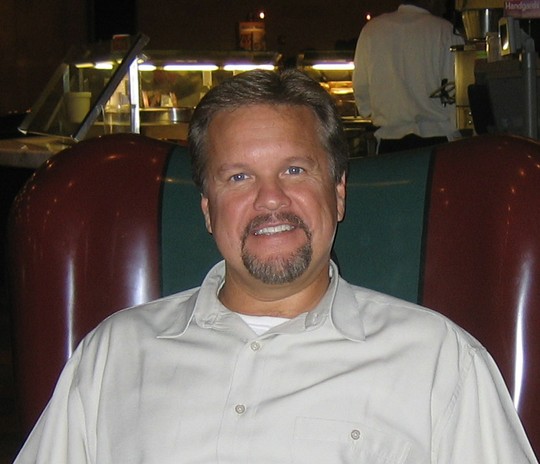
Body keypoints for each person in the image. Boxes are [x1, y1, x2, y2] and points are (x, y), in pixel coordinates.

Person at [14, 69, 537, 463]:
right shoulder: (113, 354)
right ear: (207, 210)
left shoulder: (439, 361)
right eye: (238, 177)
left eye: (294, 170)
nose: (270, 199)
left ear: (338, 194)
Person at [353, 0, 464, 154]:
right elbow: (459, 93)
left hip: (389, 143)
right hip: (438, 140)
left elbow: (362, 97)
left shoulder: (371, 31)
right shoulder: (446, 31)